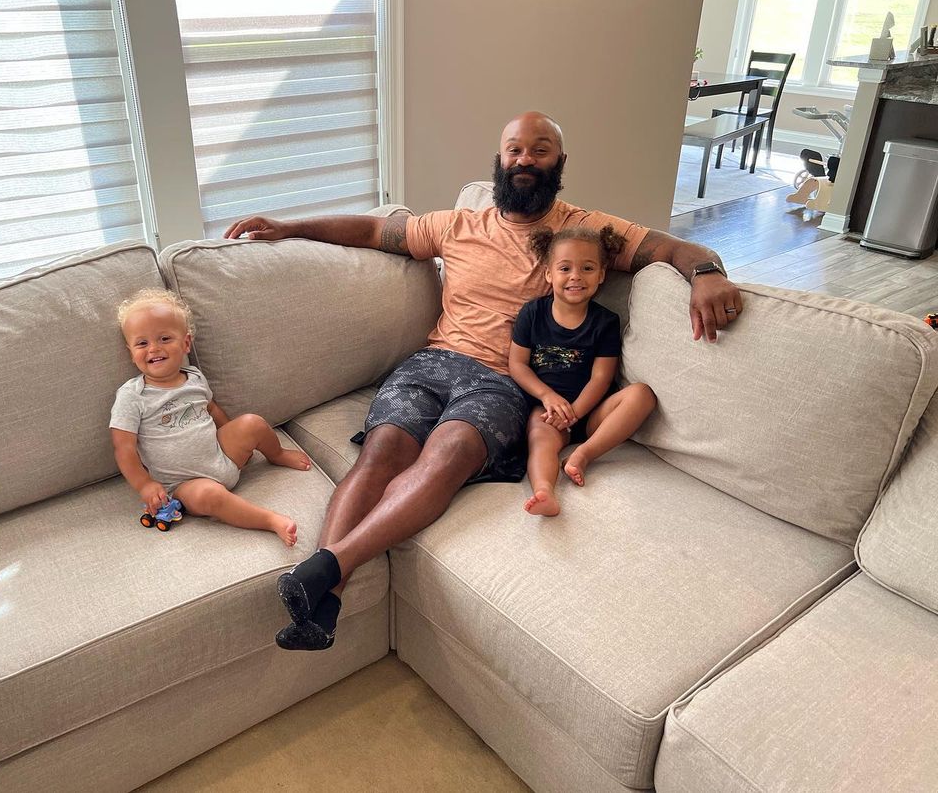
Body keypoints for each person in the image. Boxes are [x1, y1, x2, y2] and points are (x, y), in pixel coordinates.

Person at [223, 111, 743, 651]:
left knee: (446, 454)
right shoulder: (457, 225)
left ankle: (325, 570)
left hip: (503, 381)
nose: (524, 160)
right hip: (432, 363)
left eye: (539, 150)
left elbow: (672, 248)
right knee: (381, 453)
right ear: (499, 160)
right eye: (514, 149)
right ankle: (325, 603)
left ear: (560, 162)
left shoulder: (583, 235)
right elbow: (375, 231)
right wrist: (291, 227)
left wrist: (706, 272)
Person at [109, 289, 310, 546]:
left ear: (186, 343)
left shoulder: (194, 377)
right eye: (142, 343)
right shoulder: (132, 396)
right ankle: (270, 520)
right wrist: (145, 485)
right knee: (210, 496)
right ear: (131, 352)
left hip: (221, 455)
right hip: (184, 484)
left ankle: (277, 454)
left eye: (164, 338)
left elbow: (212, 410)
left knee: (252, 422)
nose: (154, 348)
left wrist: (235, 440)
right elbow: (123, 448)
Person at [510, 226, 657, 517]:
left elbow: (602, 377)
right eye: (565, 268)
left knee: (642, 395)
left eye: (587, 268)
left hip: (591, 412)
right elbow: (517, 364)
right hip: (548, 411)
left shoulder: (605, 322)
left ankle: (584, 454)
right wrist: (547, 396)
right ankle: (544, 491)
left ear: (601, 274)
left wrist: (576, 412)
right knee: (539, 438)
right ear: (549, 273)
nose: (576, 276)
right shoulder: (532, 313)